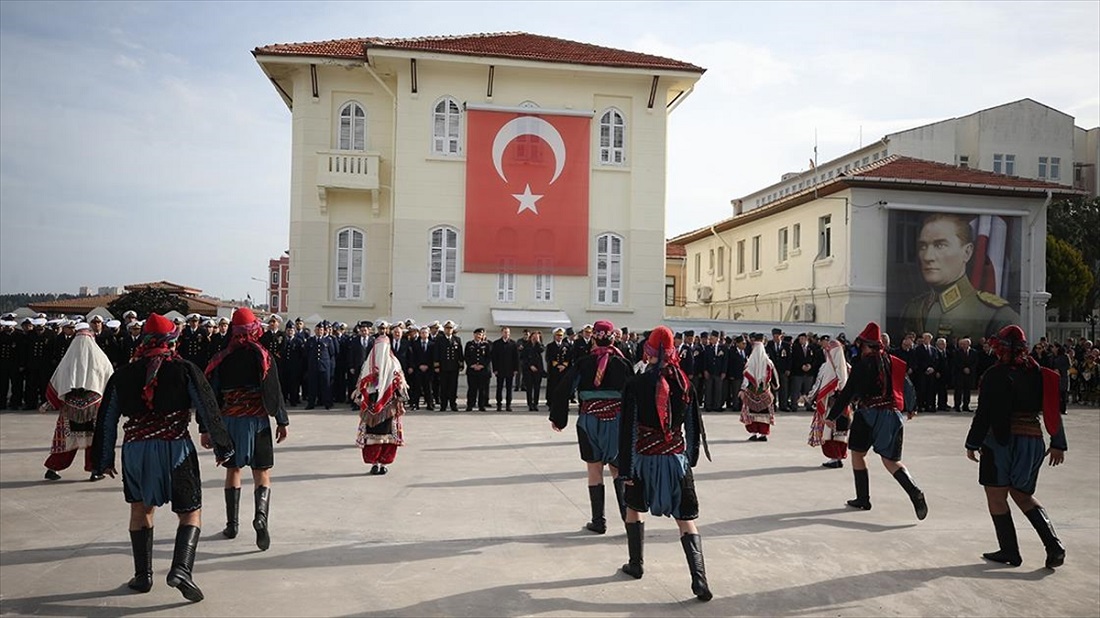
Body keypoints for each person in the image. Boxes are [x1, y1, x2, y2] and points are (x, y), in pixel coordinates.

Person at [90, 314, 234, 602]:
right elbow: (207, 406)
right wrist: (222, 447)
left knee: (140, 509)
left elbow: (106, 418)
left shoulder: (123, 375)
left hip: (136, 451)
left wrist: (103, 459)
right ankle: (181, 569)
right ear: (172, 340)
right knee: (190, 511)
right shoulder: (185, 369)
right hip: (175, 448)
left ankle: (143, 576)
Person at [617, 326, 712, 602]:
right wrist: (689, 459)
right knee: (686, 520)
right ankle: (700, 581)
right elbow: (694, 426)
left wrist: (626, 470)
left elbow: (628, 430)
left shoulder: (635, 384)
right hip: (675, 461)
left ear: (649, 350)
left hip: (643, 460)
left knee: (633, 509)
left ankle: (636, 565)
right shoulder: (685, 383)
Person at [965, 325, 1066, 568]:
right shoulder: (1040, 374)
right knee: (1023, 494)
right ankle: (1054, 546)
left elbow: (984, 413)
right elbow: (1053, 410)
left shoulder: (993, 374)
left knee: (996, 495)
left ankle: (1009, 550)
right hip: (1032, 440)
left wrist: (972, 442)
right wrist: (1058, 443)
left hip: (1000, 442)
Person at [204, 308, 290, 550]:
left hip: (230, 421)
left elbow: (211, 394)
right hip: (258, 421)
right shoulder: (262, 356)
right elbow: (275, 391)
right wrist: (282, 421)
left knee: (232, 470)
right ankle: (261, 518)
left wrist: (206, 427)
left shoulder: (222, 357)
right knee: (261, 472)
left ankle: (232, 525)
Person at [826, 322, 928, 520]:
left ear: (866, 345)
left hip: (867, 415)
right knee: (891, 461)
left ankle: (863, 499)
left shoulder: (861, 365)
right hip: (892, 416)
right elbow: (907, 385)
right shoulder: (894, 362)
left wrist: (832, 416)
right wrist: (912, 407)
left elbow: (847, 393)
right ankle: (915, 491)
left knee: (857, 453)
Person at [550, 319, 632, 534]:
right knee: (618, 469)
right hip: (616, 421)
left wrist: (558, 418)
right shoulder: (623, 363)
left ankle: (599, 521)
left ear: (593, 337)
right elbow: (634, 394)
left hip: (590, 421)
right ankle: (628, 519)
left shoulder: (583, 363)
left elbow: (563, 389)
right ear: (613, 338)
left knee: (594, 468)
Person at [900, 213, 1020, 340]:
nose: (927, 257)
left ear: (967, 252)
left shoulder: (998, 316)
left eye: (940, 245)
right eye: (923, 246)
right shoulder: (913, 308)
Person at [42, 323, 114, 481]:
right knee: (93, 439)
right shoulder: (100, 357)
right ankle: (95, 470)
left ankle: (52, 468)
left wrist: (52, 401)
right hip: (93, 404)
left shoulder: (68, 359)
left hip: (70, 404)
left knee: (67, 438)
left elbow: (57, 380)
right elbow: (110, 377)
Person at [353, 330, 409, 475]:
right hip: (372, 405)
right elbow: (361, 384)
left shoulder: (394, 363)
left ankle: (384, 463)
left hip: (389, 405)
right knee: (372, 436)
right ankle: (374, 462)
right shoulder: (368, 365)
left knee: (389, 437)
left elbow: (401, 383)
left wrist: (400, 396)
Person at [808, 338, 851, 468]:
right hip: (842, 405)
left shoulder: (829, 367)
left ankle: (834, 458)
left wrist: (811, 396)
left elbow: (820, 384)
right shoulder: (846, 367)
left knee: (832, 431)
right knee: (838, 431)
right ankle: (837, 457)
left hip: (831, 405)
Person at [739, 333, 779, 441]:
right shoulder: (768, 362)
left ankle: (754, 433)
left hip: (752, 392)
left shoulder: (750, 362)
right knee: (764, 414)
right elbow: (774, 377)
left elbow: (746, 378)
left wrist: (743, 389)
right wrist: (775, 386)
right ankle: (763, 434)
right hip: (764, 392)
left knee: (752, 414)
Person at [434, 320, 463, 411]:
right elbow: (436, 353)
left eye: (450, 328)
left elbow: (460, 353)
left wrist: (461, 364)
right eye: (447, 328)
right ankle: (443, 405)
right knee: (443, 387)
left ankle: (453, 404)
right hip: (444, 367)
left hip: (454, 367)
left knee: (453, 386)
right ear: (444, 329)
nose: (448, 330)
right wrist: (437, 366)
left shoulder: (457, 339)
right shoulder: (439, 339)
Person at [491, 327, 520, 411]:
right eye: (504, 332)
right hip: (499, 370)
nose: (506, 334)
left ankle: (508, 404)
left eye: (507, 332)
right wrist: (495, 369)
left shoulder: (513, 344)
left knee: (509, 388)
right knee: (499, 387)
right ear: (502, 333)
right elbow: (494, 358)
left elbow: (516, 358)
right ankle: (499, 404)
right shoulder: (496, 343)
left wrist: (516, 369)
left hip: (510, 369)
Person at [464, 327, 492, 411]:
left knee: (482, 389)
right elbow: (466, 356)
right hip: (472, 370)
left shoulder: (486, 345)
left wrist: (482, 365)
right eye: (477, 334)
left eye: (480, 334)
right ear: (474, 334)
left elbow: (489, 357)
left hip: (483, 371)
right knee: (472, 388)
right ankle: (470, 404)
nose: (478, 336)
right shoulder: (469, 344)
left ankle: (481, 405)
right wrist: (471, 365)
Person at [544, 328, 571, 410]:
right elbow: (549, 357)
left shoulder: (566, 346)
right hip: (553, 370)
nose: (559, 337)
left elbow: (568, 357)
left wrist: (564, 365)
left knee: (563, 388)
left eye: (561, 335)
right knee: (553, 388)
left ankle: (563, 405)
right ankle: (551, 404)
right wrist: (557, 366)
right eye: (558, 335)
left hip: (564, 371)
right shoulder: (550, 346)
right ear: (554, 336)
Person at [410, 326, 435, 410]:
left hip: (429, 369)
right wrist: (419, 365)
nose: (424, 334)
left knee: (428, 388)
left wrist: (428, 365)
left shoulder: (432, 344)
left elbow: (433, 357)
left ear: (428, 334)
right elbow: (413, 357)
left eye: (425, 333)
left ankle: (429, 404)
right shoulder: (415, 344)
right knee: (417, 388)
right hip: (418, 369)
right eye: (422, 333)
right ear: (420, 334)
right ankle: (415, 404)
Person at [952, 337, 979, 412]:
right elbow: (956, 362)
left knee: (967, 391)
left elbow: (975, 362)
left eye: (965, 344)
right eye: (962, 344)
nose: (963, 345)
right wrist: (963, 368)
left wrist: (970, 369)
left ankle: (966, 406)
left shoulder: (974, 352)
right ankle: (957, 405)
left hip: (969, 374)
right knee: (958, 391)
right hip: (960, 374)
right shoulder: (957, 352)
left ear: (969, 344)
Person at [521, 330, 545, 411]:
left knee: (537, 387)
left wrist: (538, 342)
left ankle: (535, 403)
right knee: (529, 388)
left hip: (538, 369)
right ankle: (530, 404)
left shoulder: (540, 345)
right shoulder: (526, 346)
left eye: (537, 337)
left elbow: (541, 350)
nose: (535, 338)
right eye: (534, 337)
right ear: (530, 337)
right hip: (528, 369)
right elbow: (523, 358)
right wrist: (530, 365)